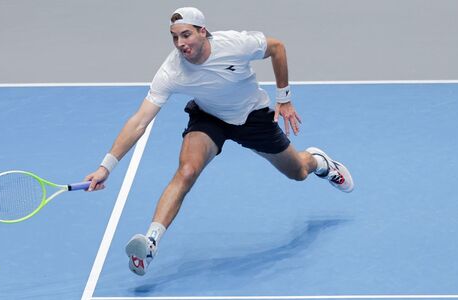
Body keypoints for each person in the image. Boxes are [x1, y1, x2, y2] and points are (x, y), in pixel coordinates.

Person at [83, 7, 354, 276]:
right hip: (209, 118)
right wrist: (106, 167)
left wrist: (284, 97)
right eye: (174, 37)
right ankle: (150, 243)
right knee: (187, 171)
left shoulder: (234, 44)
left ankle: (320, 162)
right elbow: (139, 121)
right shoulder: (172, 71)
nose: (180, 43)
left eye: (186, 35)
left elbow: (277, 48)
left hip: (252, 117)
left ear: (203, 31)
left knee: (298, 172)